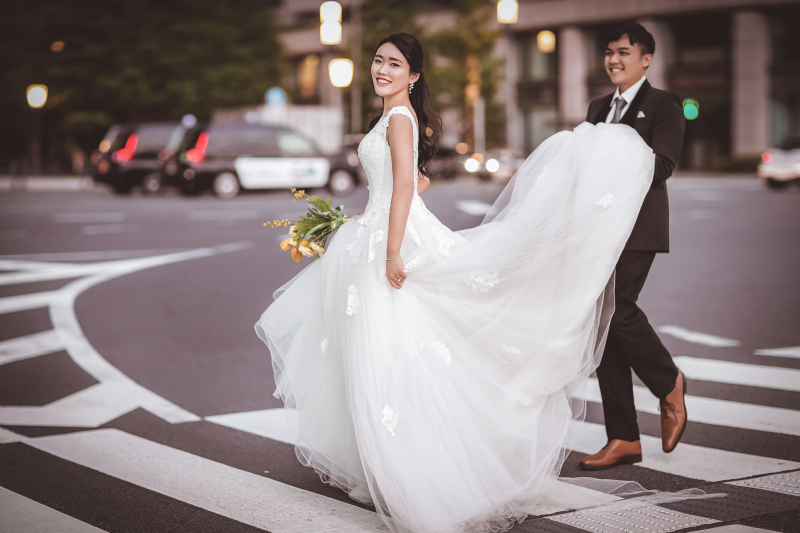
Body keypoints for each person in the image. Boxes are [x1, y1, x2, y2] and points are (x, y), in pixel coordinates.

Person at [256, 32, 658, 533]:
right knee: (377, 354)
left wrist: (392, 248)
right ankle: (385, 463)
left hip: (391, 241)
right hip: (378, 230)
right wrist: (363, 217)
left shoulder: (400, 118)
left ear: (414, 76)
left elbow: (406, 184)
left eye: (394, 64)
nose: (382, 70)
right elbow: (410, 182)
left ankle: (417, 473)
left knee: (397, 354)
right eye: (378, 61)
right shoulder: (389, 117)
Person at [579, 22, 688, 472]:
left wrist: (614, 149)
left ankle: (669, 381)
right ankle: (623, 436)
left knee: (619, 308)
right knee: (603, 324)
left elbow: (661, 165)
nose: (613, 60)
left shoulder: (664, 104)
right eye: (608, 52)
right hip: (598, 230)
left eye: (624, 52)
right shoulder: (598, 106)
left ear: (646, 58)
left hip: (638, 229)